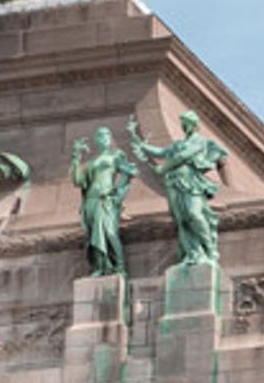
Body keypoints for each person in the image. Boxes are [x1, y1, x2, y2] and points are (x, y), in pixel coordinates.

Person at [131, 110, 232, 266]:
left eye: (186, 123)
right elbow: (162, 152)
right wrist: (141, 144)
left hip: (191, 183)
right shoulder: (179, 144)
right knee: (182, 220)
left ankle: (210, 249)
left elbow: (183, 156)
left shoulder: (200, 141)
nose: (184, 126)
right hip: (174, 183)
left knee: (194, 214)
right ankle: (192, 253)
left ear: (193, 124)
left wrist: (163, 168)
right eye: (183, 123)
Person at [71, 125, 133, 278]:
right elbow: (78, 181)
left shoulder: (116, 156)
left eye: (106, 135)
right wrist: (76, 157)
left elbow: (128, 173)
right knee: (95, 236)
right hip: (91, 200)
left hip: (106, 200)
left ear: (110, 139)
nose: (103, 138)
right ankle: (99, 267)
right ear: (96, 140)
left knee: (109, 233)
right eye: (100, 136)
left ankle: (119, 267)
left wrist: (115, 191)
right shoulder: (91, 163)